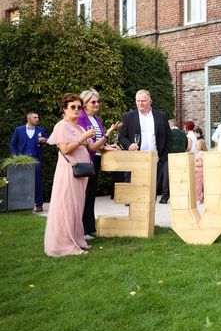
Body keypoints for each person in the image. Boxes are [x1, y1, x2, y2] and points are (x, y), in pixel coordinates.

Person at [45, 93, 118, 256]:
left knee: (77, 207)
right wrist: (82, 138)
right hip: (68, 171)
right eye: (73, 107)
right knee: (67, 206)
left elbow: (92, 148)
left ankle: (77, 240)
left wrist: (107, 134)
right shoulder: (61, 126)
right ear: (64, 109)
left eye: (79, 107)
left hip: (81, 172)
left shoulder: (80, 127)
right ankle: (65, 244)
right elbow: (65, 149)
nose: (77, 110)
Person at [76, 89, 120, 238]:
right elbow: (87, 142)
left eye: (98, 101)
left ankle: (89, 228)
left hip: (96, 159)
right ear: (85, 104)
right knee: (85, 195)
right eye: (93, 102)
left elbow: (98, 141)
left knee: (90, 194)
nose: (96, 104)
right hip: (85, 160)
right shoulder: (81, 118)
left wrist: (107, 146)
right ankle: (82, 229)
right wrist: (103, 142)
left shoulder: (97, 119)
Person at [118, 89, 171, 203]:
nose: (140, 103)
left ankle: (149, 212)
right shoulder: (128, 117)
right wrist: (128, 145)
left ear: (150, 101)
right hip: (136, 158)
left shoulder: (161, 116)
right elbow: (122, 137)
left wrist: (164, 155)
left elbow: (169, 137)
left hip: (157, 159)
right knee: (137, 190)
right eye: (138, 101)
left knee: (152, 191)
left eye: (143, 101)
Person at [10, 111, 49, 212]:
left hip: (36, 160)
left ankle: (39, 204)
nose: (37, 119)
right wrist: (16, 158)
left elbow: (49, 140)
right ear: (29, 119)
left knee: (37, 182)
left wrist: (45, 140)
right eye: (35, 117)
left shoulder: (41, 130)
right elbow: (13, 145)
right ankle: (22, 205)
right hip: (22, 161)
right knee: (21, 182)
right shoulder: (18, 130)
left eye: (38, 117)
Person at [194, 139, 207, 204]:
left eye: (197, 144)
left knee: (198, 186)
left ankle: (198, 199)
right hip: (200, 171)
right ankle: (201, 198)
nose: (196, 145)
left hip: (199, 172)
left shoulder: (200, 154)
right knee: (201, 186)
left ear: (201, 145)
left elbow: (201, 163)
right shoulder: (202, 153)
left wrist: (193, 163)